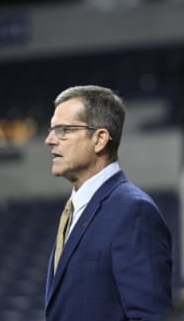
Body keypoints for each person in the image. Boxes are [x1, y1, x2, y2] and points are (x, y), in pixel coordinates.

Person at [44, 85, 173, 321]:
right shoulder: (75, 211)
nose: (49, 140)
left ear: (100, 139)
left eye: (63, 130)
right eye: (52, 129)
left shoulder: (133, 212)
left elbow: (150, 316)